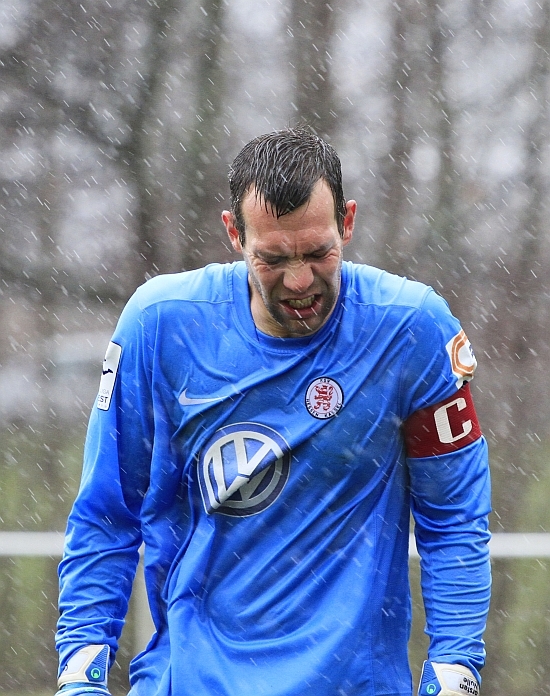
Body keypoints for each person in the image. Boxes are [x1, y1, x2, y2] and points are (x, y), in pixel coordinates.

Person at [55, 128, 491, 696]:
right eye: (273, 258)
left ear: (348, 223)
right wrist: (81, 675)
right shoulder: (161, 324)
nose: (300, 280)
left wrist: (455, 667)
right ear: (234, 233)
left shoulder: (413, 331)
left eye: (318, 253)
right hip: (191, 682)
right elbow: (107, 513)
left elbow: (454, 515)